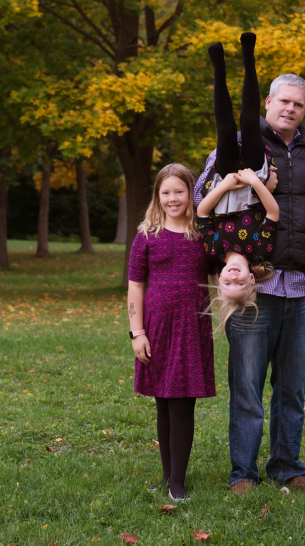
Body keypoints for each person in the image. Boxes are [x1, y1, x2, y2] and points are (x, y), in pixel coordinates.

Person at [194, 71, 305, 495]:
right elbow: (205, 192)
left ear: (304, 111)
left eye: (298, 104)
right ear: (269, 104)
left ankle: (287, 466)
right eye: (283, 101)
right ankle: (243, 473)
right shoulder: (241, 147)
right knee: (247, 387)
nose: (290, 109)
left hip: (302, 291)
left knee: (292, 387)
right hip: (255, 291)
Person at [127, 163, 213, 503]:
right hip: (157, 329)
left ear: (191, 193)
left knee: (182, 403)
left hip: (191, 328)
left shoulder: (204, 234)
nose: (172, 198)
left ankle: (178, 482)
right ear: (157, 196)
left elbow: (224, 272)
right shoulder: (147, 235)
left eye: (179, 191)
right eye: (165, 193)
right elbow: (135, 287)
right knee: (163, 402)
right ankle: (166, 476)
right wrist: (137, 333)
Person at [196, 33, 280, 326]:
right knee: (249, 120)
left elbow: (202, 213)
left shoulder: (214, 250)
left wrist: (224, 185)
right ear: (252, 281)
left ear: (218, 280)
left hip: (227, 176)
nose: (233, 280)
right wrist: (258, 183)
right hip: (254, 174)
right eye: (239, 285)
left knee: (225, 126)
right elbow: (272, 213)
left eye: (227, 285)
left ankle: (218, 66)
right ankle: (248, 55)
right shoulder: (260, 251)